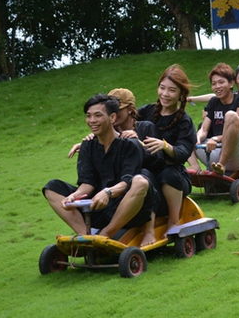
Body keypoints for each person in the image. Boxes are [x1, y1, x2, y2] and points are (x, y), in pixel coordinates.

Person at [43, 94, 158, 242]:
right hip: (97, 206)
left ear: (112, 118)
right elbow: (87, 183)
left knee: (141, 182)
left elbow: (127, 181)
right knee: (51, 187)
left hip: (127, 207)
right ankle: (86, 235)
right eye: (88, 116)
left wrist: (107, 192)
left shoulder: (130, 144)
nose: (92, 121)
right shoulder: (87, 146)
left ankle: (106, 234)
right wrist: (74, 196)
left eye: (98, 115)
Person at [137, 65, 197, 245]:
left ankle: (173, 221)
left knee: (167, 173)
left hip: (175, 178)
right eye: (162, 88)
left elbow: (183, 152)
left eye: (171, 90)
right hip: (148, 174)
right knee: (143, 176)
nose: (165, 94)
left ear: (181, 94)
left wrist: (164, 146)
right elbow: (119, 123)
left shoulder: (185, 121)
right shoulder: (146, 111)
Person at [192, 63, 239, 177]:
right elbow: (204, 129)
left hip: (237, 152)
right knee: (188, 136)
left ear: (231, 83)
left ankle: (222, 165)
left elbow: (238, 131)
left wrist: (215, 139)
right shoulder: (213, 102)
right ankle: (196, 169)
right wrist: (197, 138)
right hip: (217, 151)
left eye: (221, 82)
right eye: (214, 84)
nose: (217, 87)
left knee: (230, 115)